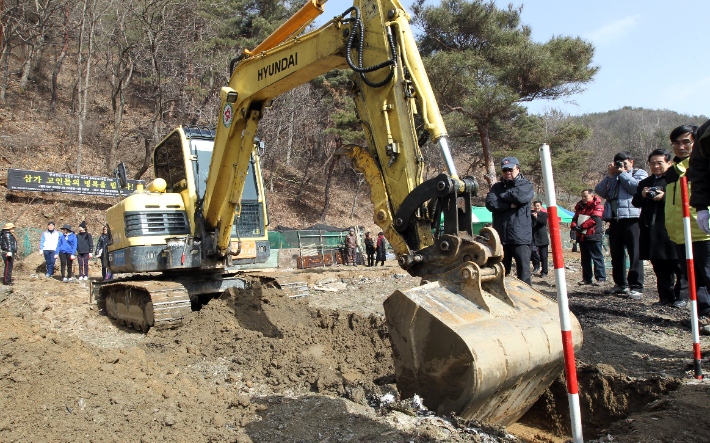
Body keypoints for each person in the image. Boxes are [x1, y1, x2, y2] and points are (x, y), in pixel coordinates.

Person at [665, 124, 710, 323]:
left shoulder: (701, 167)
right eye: (677, 143)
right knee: (694, 280)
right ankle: (703, 315)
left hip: (703, 233)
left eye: (686, 142)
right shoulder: (673, 171)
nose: (681, 147)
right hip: (681, 235)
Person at [631, 149, 684, 306]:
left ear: (669, 163)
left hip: (671, 227)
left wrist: (665, 197)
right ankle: (665, 297)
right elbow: (635, 202)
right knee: (659, 266)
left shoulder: (675, 179)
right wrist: (644, 195)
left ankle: (682, 296)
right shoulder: (645, 183)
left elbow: (684, 198)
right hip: (651, 228)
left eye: (659, 163)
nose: (656, 166)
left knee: (678, 264)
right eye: (652, 163)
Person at [595, 151, 647, 298]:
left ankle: (636, 286)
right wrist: (610, 176)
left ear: (632, 162)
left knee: (635, 253)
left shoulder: (639, 173)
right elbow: (600, 192)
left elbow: (636, 188)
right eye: (618, 163)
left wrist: (623, 173)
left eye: (624, 163)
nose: (620, 166)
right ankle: (620, 284)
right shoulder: (614, 176)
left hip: (632, 219)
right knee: (616, 254)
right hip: (614, 219)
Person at [485, 156, 534, 285]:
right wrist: (509, 205)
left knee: (524, 272)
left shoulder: (526, 185)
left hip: (520, 237)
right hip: (501, 238)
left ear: (517, 169)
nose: (507, 173)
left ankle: (526, 299)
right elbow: (490, 204)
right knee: (501, 271)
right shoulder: (497, 187)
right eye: (504, 170)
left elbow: (519, 197)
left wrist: (501, 198)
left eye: (510, 170)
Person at [572, 189, 607, 286]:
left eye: (585, 196)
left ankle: (601, 278)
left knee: (597, 257)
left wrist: (582, 226)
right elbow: (574, 218)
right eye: (582, 196)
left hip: (593, 235)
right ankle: (587, 278)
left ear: (592, 196)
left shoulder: (598, 206)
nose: (583, 198)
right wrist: (574, 226)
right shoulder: (579, 207)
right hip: (582, 236)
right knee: (585, 259)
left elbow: (595, 219)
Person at [530, 201, 549, 278]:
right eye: (535, 206)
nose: (537, 207)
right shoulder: (531, 214)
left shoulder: (544, 214)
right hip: (533, 238)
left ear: (541, 207)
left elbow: (543, 222)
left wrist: (536, 217)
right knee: (533, 253)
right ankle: (536, 266)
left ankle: (544, 271)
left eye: (538, 206)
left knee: (544, 256)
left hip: (542, 238)